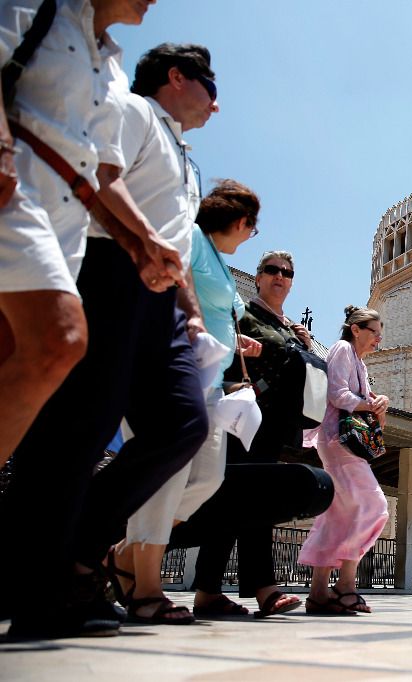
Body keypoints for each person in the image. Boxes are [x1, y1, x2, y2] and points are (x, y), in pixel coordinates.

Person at [0, 40, 218, 639]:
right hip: (110, 266)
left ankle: (78, 550)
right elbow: (100, 179)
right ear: (177, 77)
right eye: (211, 87)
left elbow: (178, 240)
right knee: (82, 426)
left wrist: (190, 311)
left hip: (159, 294)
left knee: (182, 426)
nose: (216, 105)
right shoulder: (131, 110)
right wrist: (143, 243)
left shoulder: (183, 153)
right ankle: (43, 580)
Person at [0, 0, 171, 470]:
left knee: (19, 353)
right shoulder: (39, 9)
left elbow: (99, 172)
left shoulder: (114, 69)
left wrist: (137, 243)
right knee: (61, 338)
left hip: (66, 224)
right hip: (16, 191)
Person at [107, 180, 262, 624]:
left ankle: (122, 553)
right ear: (238, 222)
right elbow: (180, 287)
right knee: (169, 479)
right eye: (252, 227)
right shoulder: (191, 238)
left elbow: (217, 313)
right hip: (173, 371)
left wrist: (238, 341)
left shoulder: (221, 261)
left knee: (207, 479)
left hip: (211, 384)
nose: (252, 235)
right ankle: (146, 588)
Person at [191, 251, 313, 618]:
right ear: (258, 277)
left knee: (238, 503)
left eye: (287, 272)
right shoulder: (243, 313)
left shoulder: (289, 326)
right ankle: (264, 589)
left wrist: (304, 346)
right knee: (245, 501)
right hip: (242, 420)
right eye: (271, 270)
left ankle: (208, 592)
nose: (280, 276)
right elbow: (226, 358)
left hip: (272, 427)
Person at [301, 305, 389, 615]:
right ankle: (346, 583)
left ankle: (318, 593)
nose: (378, 338)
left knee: (337, 513)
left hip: (342, 443)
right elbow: (338, 395)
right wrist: (368, 404)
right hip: (337, 441)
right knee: (375, 506)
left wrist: (379, 402)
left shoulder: (361, 364)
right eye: (374, 332)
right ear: (356, 329)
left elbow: (359, 401)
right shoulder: (341, 349)